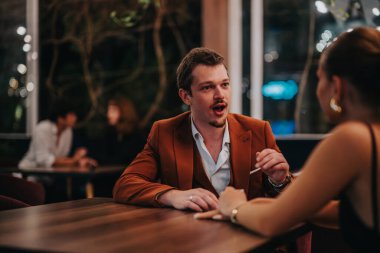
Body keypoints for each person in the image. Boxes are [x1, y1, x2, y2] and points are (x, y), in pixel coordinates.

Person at [195, 27, 380, 252]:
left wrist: (233, 207)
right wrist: (269, 206)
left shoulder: (353, 139)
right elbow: (339, 213)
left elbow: (271, 223)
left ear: (337, 87)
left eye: (319, 78)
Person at [18, 100, 97, 202]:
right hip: (28, 177)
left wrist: (78, 160)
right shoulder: (43, 128)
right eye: (71, 114)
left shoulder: (68, 131)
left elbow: (61, 159)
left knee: (69, 196)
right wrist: (75, 160)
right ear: (60, 118)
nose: (75, 118)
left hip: (49, 179)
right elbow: (43, 160)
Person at [98, 96, 145, 165]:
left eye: (113, 111)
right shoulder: (111, 133)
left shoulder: (136, 135)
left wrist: (97, 161)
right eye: (108, 110)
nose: (108, 114)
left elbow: (122, 161)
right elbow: (104, 154)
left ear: (124, 111)